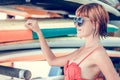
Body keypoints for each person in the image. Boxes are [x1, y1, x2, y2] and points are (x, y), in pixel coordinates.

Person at [25, 3, 120, 80]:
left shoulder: (98, 54)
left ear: (95, 24)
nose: (76, 25)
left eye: (80, 21)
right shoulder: (83, 49)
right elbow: (52, 61)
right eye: (75, 20)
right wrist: (39, 32)